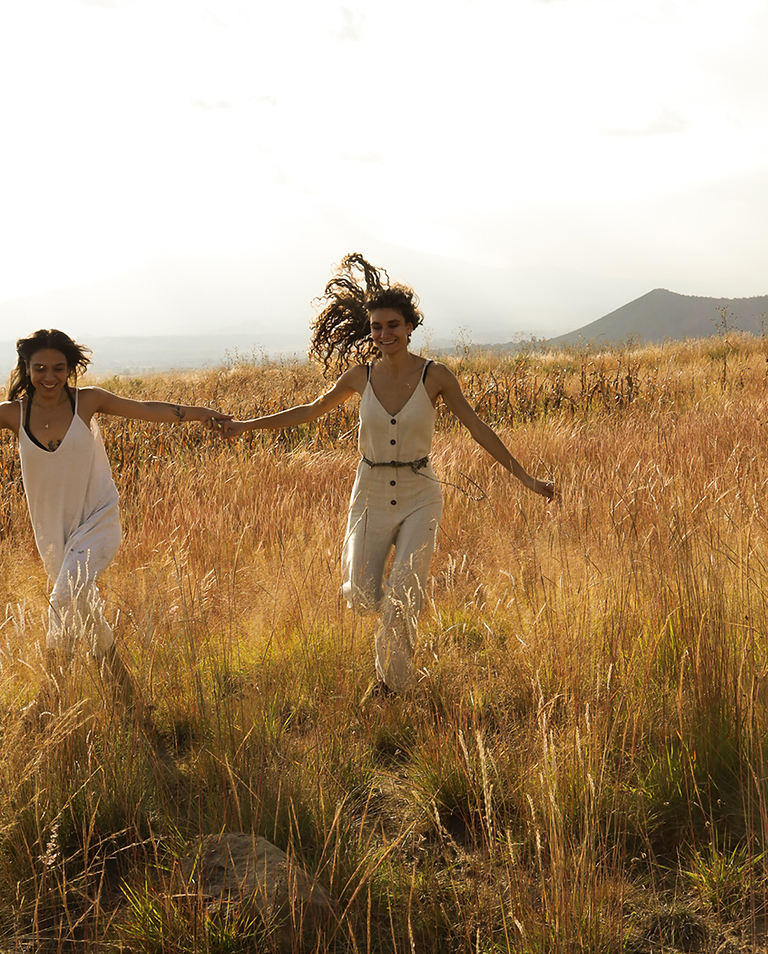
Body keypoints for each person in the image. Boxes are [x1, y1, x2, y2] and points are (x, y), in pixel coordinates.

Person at [222, 254, 555, 696]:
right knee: (362, 596)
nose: (384, 334)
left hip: (421, 492)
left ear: (411, 326)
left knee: (404, 595)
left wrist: (528, 480)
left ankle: (394, 687)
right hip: (371, 492)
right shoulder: (360, 376)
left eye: (393, 325)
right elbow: (309, 412)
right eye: (377, 327)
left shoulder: (435, 376)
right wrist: (246, 426)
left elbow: (479, 429)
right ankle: (392, 642)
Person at [0, 328, 230, 663]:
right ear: (26, 368)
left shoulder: (87, 402)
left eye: (58, 368)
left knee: (63, 597)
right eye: (40, 368)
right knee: (84, 610)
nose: (49, 376)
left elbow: (148, 409)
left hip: (98, 521)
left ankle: (52, 690)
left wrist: (202, 415)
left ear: (71, 368)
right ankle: (123, 692)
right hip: (53, 534)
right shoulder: (13, 413)